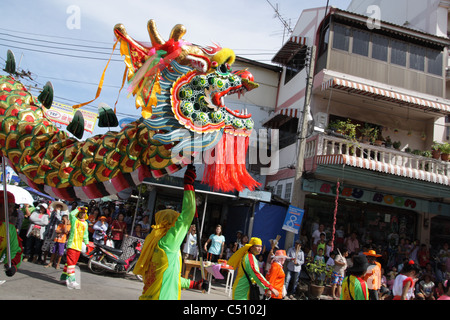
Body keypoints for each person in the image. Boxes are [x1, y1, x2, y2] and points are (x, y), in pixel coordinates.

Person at [133, 165, 207, 300]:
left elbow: (171, 277)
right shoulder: (167, 243)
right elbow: (187, 216)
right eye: (175, 221)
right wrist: (188, 185)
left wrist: (195, 284)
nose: (177, 224)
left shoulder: (154, 243)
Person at [59, 206, 89, 289]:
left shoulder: (85, 223)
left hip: (79, 246)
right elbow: (71, 214)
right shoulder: (74, 220)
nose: (83, 214)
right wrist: (78, 208)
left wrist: (86, 244)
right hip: (72, 244)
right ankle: (72, 281)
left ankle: (63, 278)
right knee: (71, 263)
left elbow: (86, 235)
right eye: (82, 213)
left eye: (84, 213)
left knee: (70, 263)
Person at [0, 191, 23, 281]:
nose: (11, 210)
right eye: (9, 206)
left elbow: (16, 250)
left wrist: (12, 264)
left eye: (13, 207)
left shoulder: (10, 229)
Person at [41, 201, 67, 265]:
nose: (58, 208)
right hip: (50, 231)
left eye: (59, 207)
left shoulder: (61, 214)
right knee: (46, 247)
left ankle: (53, 261)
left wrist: (58, 212)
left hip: (56, 233)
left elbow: (59, 219)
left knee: (54, 249)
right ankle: (44, 259)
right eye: (57, 206)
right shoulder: (53, 212)